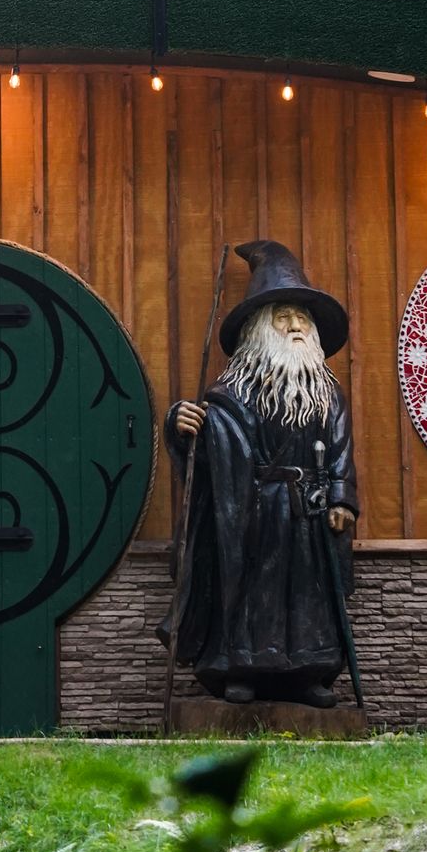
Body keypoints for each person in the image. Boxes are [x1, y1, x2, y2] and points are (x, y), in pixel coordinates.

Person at [161, 240, 359, 708]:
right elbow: (209, 451)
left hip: (309, 512)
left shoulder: (328, 394)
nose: (294, 326)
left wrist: (342, 498)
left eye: (301, 318)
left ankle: (310, 672)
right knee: (248, 590)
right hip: (250, 512)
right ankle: (240, 668)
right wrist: (182, 426)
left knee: (308, 595)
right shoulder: (231, 392)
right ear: (258, 329)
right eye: (282, 317)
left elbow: (340, 450)